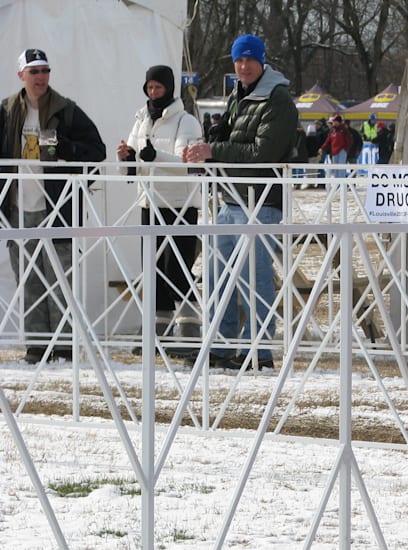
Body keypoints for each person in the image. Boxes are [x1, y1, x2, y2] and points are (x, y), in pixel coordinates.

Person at [183, 33, 298, 371]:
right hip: (231, 198)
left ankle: (259, 350)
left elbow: (264, 154)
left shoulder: (278, 100)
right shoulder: (239, 95)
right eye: (239, 60)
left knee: (254, 277)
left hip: (262, 200)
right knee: (217, 274)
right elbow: (235, 143)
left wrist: (213, 151)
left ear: (262, 61)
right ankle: (221, 345)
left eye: (249, 59)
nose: (244, 65)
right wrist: (206, 145)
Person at [1, 48, 105, 364]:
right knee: (28, 279)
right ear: (21, 75)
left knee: (60, 278)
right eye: (34, 71)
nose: (41, 77)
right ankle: (36, 345)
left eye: (45, 70)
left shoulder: (67, 110)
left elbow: (96, 151)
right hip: (19, 205)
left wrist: (66, 149)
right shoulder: (6, 111)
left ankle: (63, 345)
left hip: (58, 206)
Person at [116, 65, 204, 345]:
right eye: (150, 88)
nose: (154, 93)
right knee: (152, 267)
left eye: (159, 88)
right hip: (149, 201)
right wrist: (126, 158)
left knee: (177, 267)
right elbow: (133, 161)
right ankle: (158, 326)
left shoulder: (186, 121)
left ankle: (190, 324)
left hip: (180, 204)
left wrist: (156, 156)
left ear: (169, 89)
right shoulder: (141, 118)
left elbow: (188, 165)